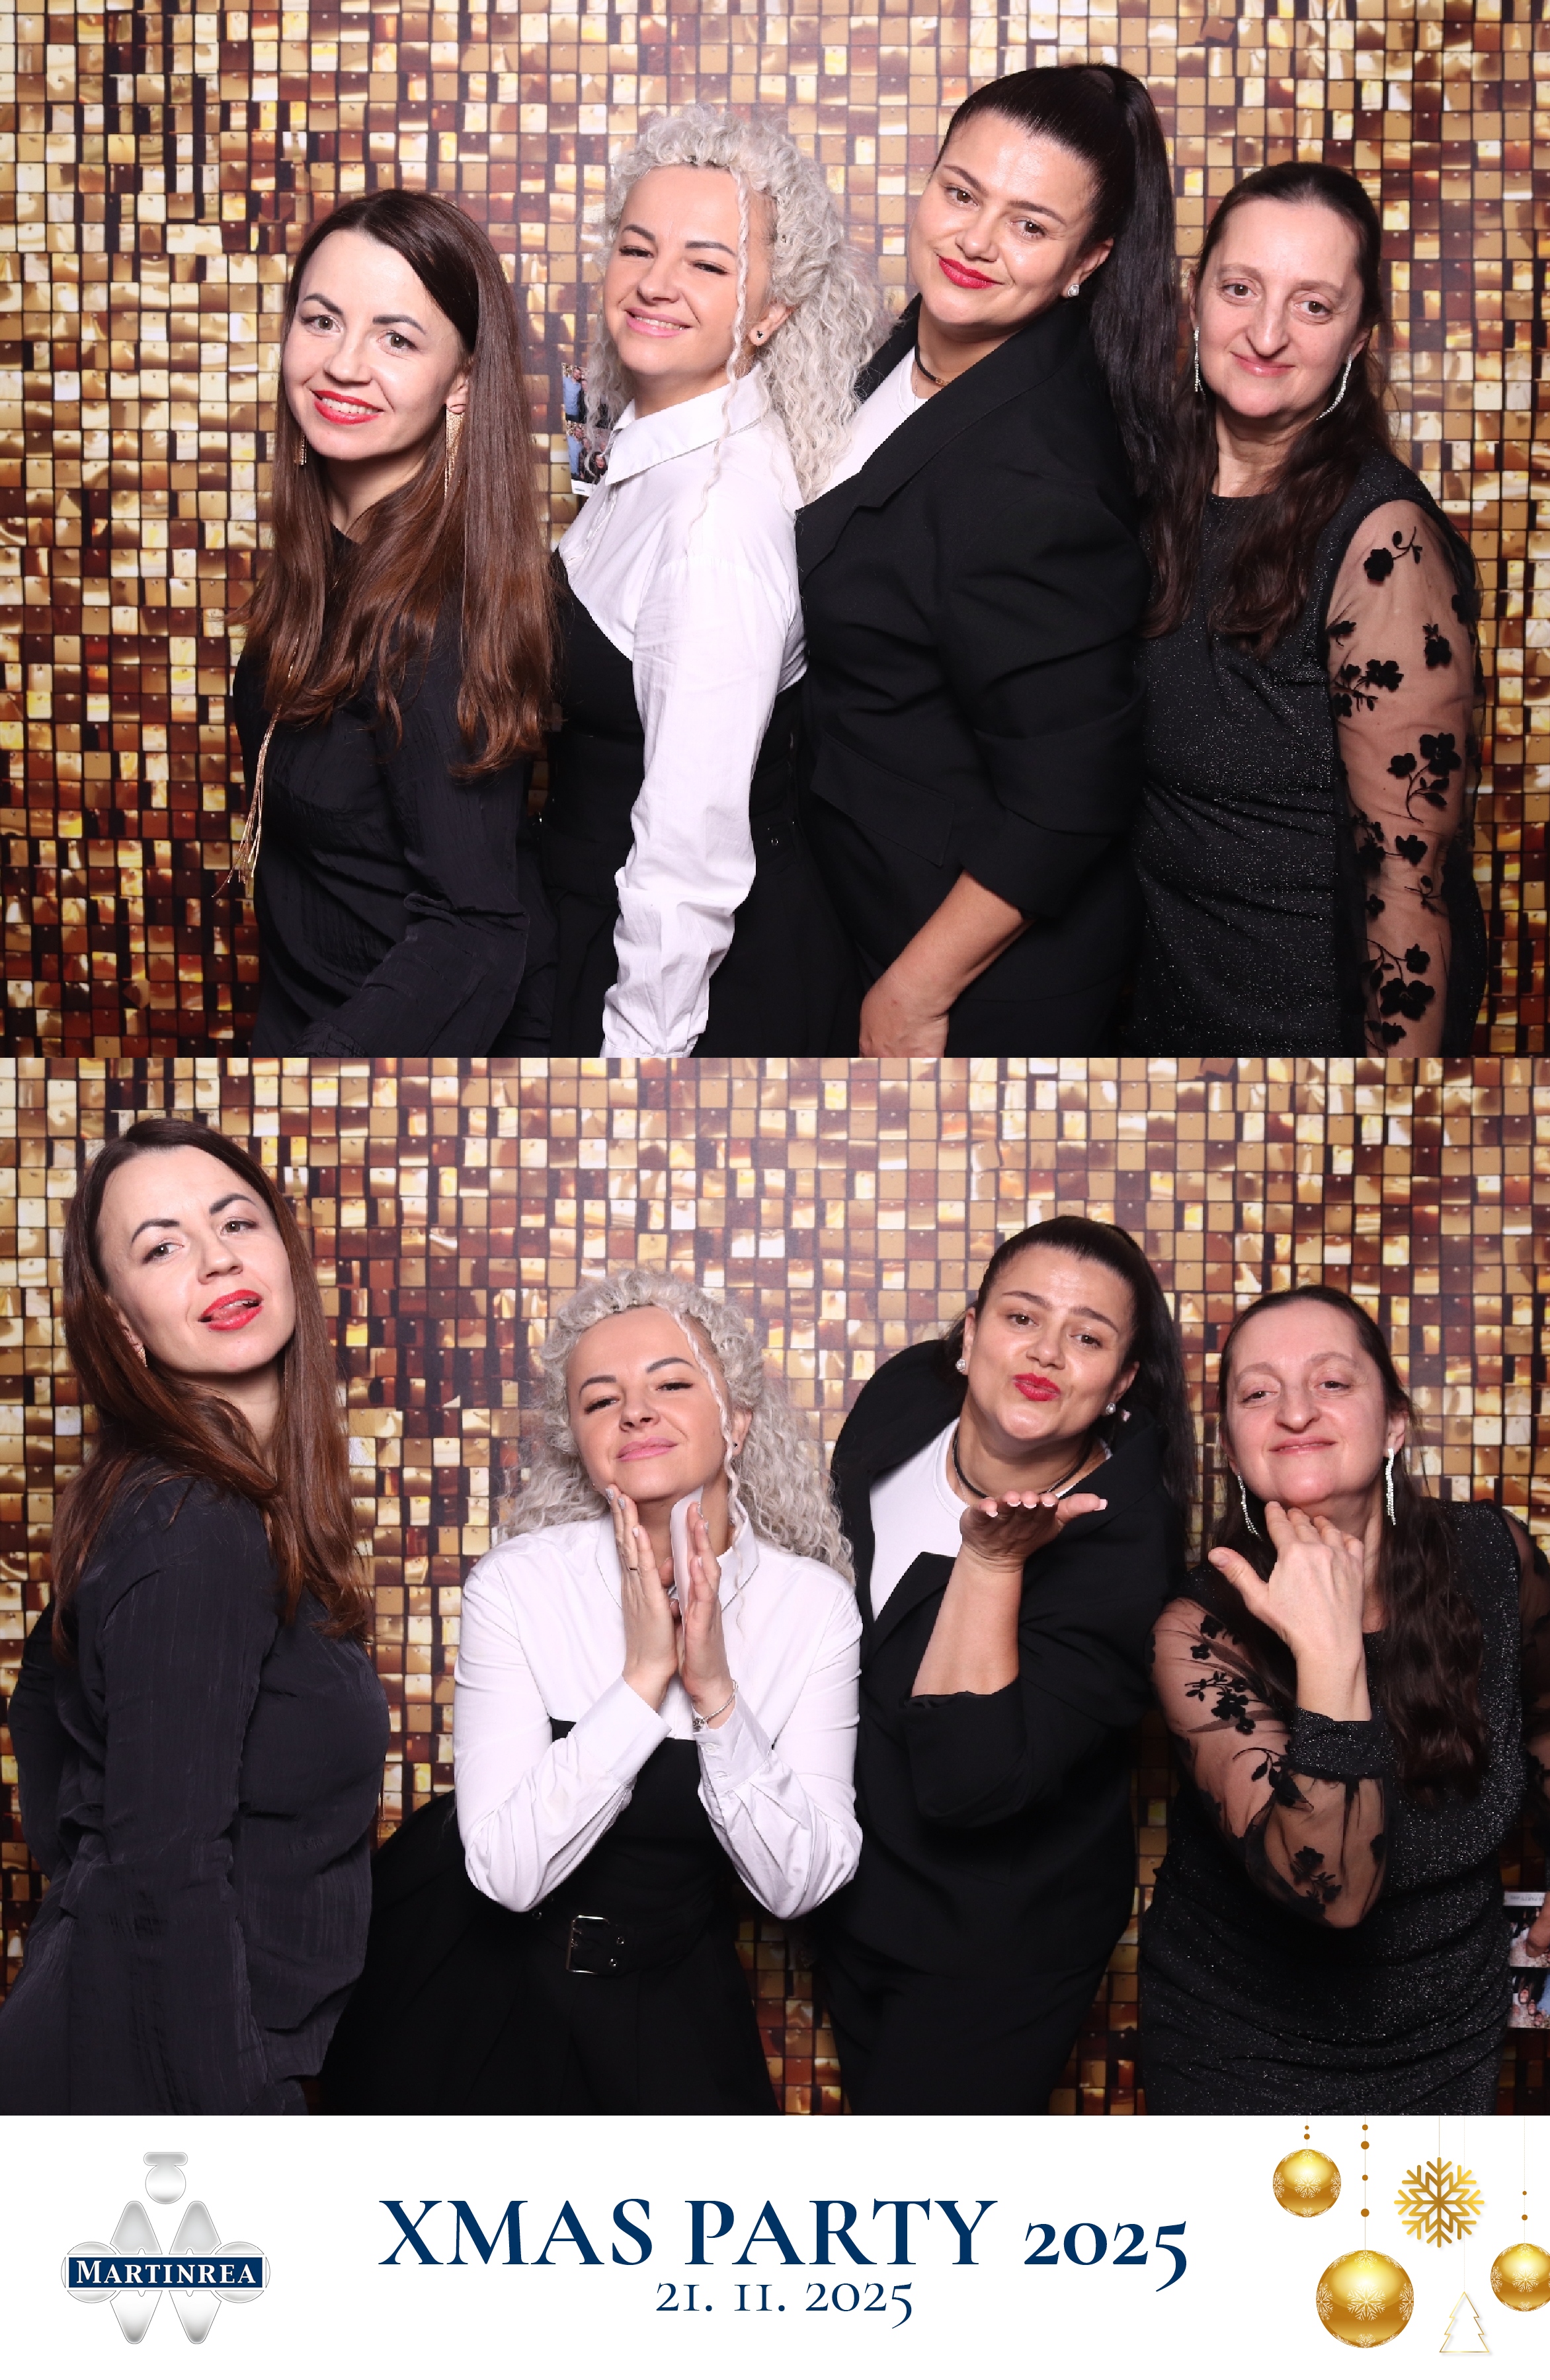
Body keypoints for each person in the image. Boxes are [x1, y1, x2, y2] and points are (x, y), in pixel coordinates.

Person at [321, 1271, 861, 2114]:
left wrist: (715, 1694)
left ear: (738, 1418)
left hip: (667, 1991)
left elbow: (801, 1885)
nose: (636, 1412)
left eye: (672, 1385)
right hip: (469, 1984)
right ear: (579, 1440)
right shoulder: (518, 1585)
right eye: (601, 1400)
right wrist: (643, 1682)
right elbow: (506, 1875)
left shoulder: (812, 1608)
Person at [0, 1119, 389, 2114]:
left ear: (285, 1255)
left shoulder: (189, 1503)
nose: (217, 1258)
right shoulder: (195, 1520)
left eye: (236, 1223)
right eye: (162, 1247)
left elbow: (42, 1714)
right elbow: (163, 1868)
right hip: (166, 2080)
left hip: (161, 2049)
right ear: (119, 1322)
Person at [795, 66, 1178, 1057]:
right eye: (961, 193)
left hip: (969, 979)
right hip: (853, 899)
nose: (974, 240)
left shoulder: (1039, 481)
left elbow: (1071, 794)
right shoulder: (913, 346)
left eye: (1030, 225)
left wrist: (913, 994)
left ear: (1088, 261)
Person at [1139, 1286, 1550, 2115]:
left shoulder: (1493, 1555)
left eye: (1333, 1382)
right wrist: (1329, 1649)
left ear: (1394, 1425)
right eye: (1259, 1393)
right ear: (1232, 1448)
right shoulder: (1197, 1631)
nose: (1295, 1412)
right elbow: (1334, 1893)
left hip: (1448, 2028)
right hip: (1237, 2045)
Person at [814, 1216, 1192, 2113]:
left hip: (995, 1943)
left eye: (1088, 1337)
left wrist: (990, 1563)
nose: (1047, 1352)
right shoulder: (906, 1398)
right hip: (854, 1896)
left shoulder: (1125, 1556)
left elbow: (967, 1781)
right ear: (972, 1331)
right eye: (1023, 1318)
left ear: (1121, 1382)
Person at [541, 108, 879, 1057]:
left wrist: (639, 1065)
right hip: (594, 920)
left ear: (772, 312)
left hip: (688, 989)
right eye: (636, 248)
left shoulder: (714, 524)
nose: (655, 283)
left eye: (707, 263)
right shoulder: (655, 448)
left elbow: (688, 848)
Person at [1130, 164, 1485, 1056]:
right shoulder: (1148, 487)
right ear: (1196, 295)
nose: (1266, 334)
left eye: (1313, 306)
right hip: (1150, 1027)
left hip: (1300, 1046)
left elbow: (1410, 884)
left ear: (1359, 335)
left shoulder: (1383, 544)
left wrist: (1390, 1112)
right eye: (1240, 289)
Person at [234, 190, 558, 1058]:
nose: (343, 365)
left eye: (397, 339)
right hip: (305, 1018)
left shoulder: (438, 615)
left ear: (462, 381)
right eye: (322, 320)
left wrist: (311, 1086)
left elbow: (474, 930)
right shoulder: (329, 554)